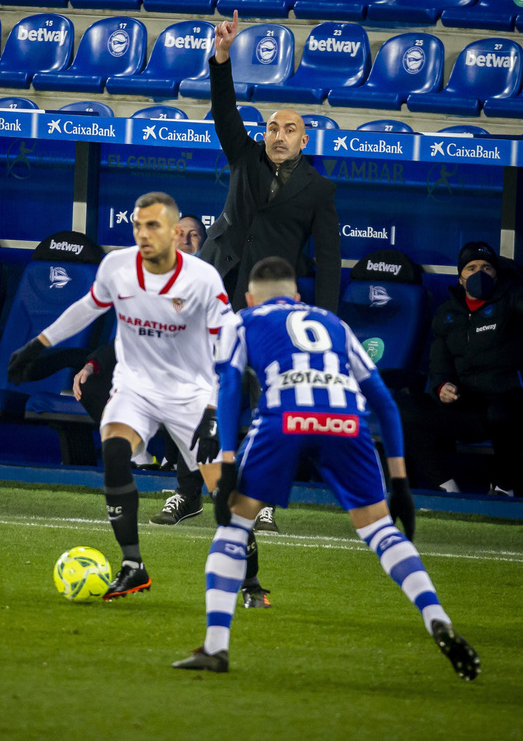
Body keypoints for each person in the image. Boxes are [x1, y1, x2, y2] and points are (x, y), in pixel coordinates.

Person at [172, 257, 480, 680]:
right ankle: (436, 617)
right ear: (298, 297)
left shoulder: (241, 320)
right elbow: (384, 403)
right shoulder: (334, 324)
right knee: (380, 530)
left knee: (234, 527)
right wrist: (401, 483)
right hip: (346, 420)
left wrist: (227, 460)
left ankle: (215, 647)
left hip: (283, 417)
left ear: (249, 297)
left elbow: (228, 387)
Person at [8, 191, 238, 600]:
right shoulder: (118, 266)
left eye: (153, 226)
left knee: (227, 497)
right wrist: (37, 344)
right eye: (137, 225)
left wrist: (212, 411)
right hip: (136, 388)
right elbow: (87, 307)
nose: (143, 233)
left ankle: (250, 577)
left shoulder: (203, 280)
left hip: (188, 392)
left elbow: (227, 349)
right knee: (114, 452)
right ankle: (134, 565)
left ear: (170, 231)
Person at [199, 10, 341, 314]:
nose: (280, 136)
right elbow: (224, 111)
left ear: (303, 141)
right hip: (217, 270)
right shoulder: (244, 155)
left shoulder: (319, 189)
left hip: (267, 287)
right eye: (273, 128)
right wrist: (222, 55)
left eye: (290, 131)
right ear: (264, 135)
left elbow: (329, 261)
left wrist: (329, 317)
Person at [398, 241, 523, 497]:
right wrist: (443, 387)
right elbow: (440, 366)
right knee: (403, 410)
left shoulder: (511, 299)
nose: (481, 273)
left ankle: (503, 488)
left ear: (497, 273)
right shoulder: (447, 313)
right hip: (466, 407)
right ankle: (446, 488)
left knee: (505, 411)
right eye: (473, 267)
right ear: (460, 277)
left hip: (505, 404)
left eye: (487, 267)